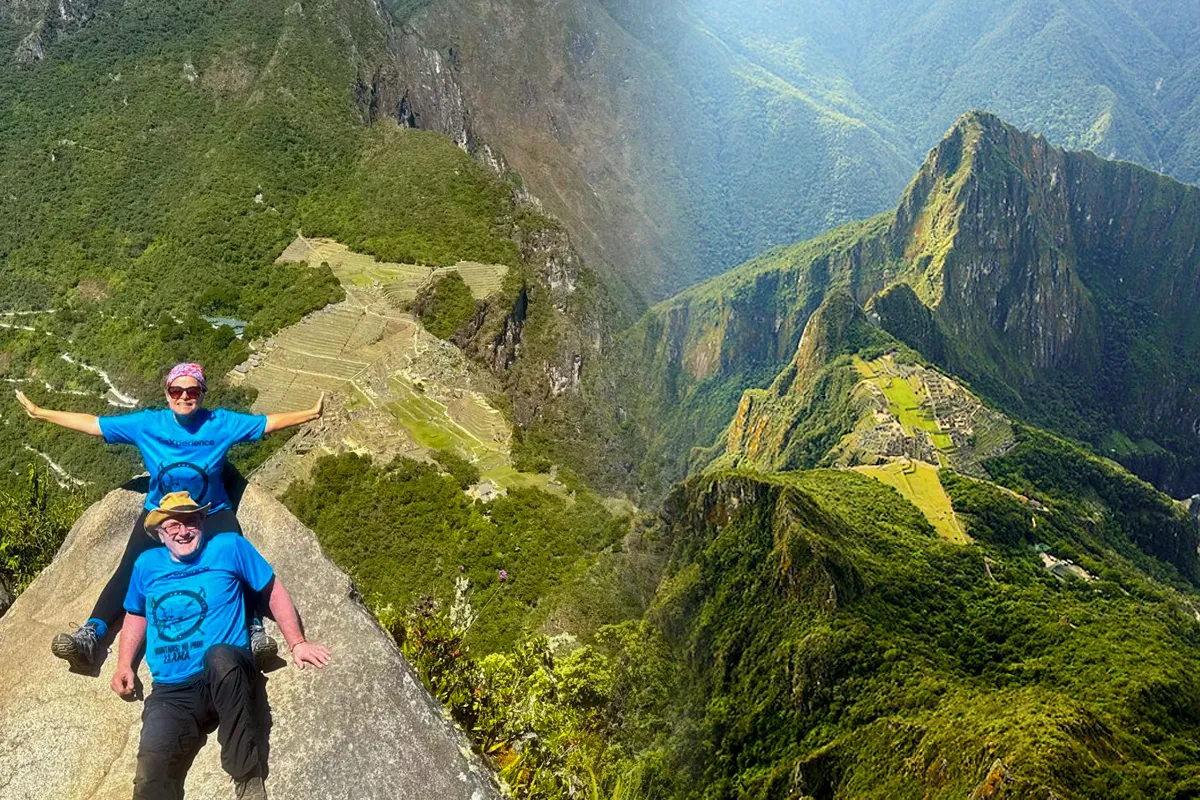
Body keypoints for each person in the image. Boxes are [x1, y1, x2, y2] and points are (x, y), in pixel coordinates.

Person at [15, 362, 323, 668]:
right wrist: (41, 412)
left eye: (192, 390)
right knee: (129, 570)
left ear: (203, 393)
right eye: (177, 390)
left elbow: (266, 423)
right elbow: (95, 424)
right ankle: (90, 635)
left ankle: (252, 631)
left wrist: (310, 414)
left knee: (237, 562)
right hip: (160, 513)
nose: (184, 396)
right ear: (167, 393)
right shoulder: (149, 424)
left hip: (211, 510)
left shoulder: (220, 423)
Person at [111, 490, 331, 800]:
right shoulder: (146, 565)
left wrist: (297, 643)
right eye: (173, 525)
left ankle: (247, 778)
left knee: (219, 656)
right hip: (172, 691)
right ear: (160, 533)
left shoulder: (229, 547)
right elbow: (136, 614)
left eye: (191, 521)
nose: (183, 531)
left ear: (202, 522)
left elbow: (272, 589)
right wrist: (124, 664)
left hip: (227, 674)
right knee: (151, 770)